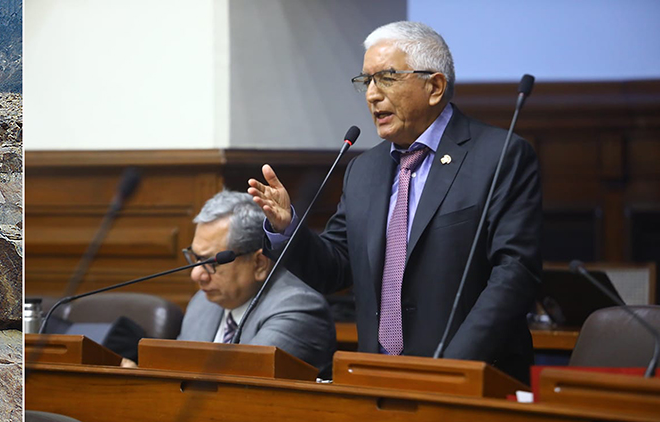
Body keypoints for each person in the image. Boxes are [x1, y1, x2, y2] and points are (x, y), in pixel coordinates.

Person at [248, 21, 540, 383]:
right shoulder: (364, 171)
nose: (372, 94)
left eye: (386, 78)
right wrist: (285, 227)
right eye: (366, 81)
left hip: (471, 378)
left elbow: (514, 274)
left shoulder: (499, 156)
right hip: (378, 378)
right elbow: (334, 267)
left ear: (434, 87)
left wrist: (452, 367)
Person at [172, 190, 336, 375]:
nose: (196, 274)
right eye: (196, 258)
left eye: (211, 262)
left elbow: (240, 385)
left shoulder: (298, 308)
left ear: (259, 263)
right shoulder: (201, 304)